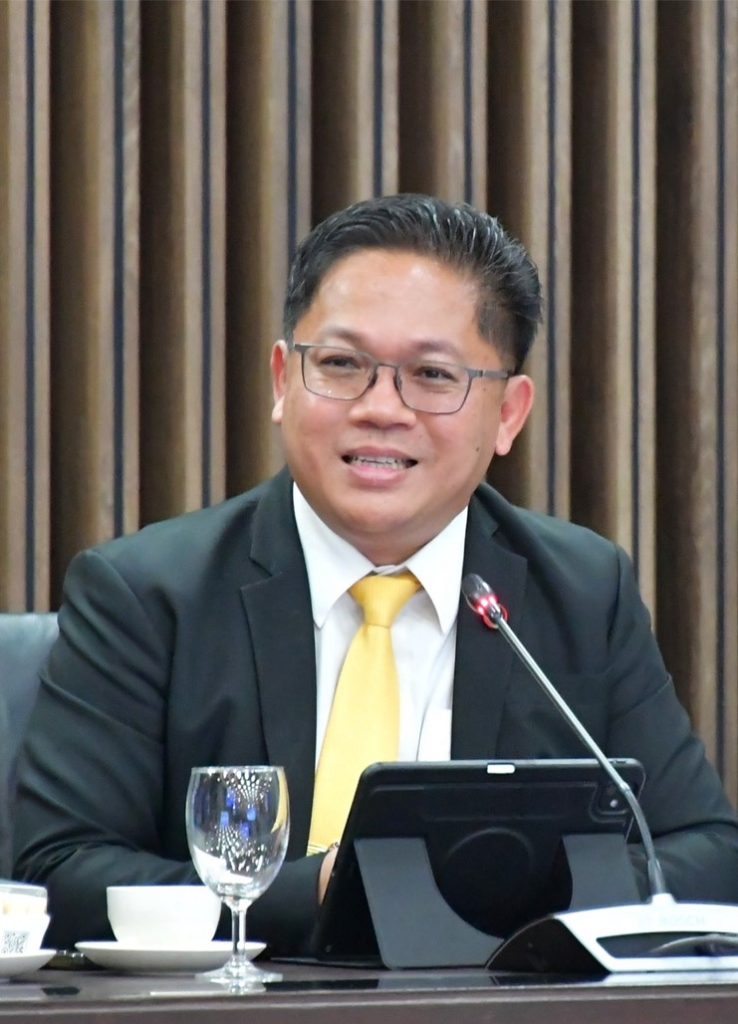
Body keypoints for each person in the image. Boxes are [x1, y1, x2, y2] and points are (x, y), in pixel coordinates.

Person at [14, 194, 738, 953]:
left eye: (432, 375)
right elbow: (62, 874)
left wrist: (504, 886)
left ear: (508, 415)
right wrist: (325, 891)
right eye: (341, 365)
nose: (382, 408)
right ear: (282, 380)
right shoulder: (146, 595)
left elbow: (708, 857)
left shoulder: (582, 593)